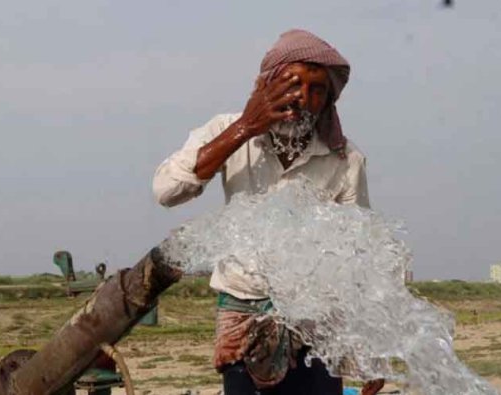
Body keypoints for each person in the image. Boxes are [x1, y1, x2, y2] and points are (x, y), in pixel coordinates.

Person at [153, 30, 379, 395]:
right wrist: (245, 128)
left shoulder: (345, 160)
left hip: (317, 322)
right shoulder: (226, 130)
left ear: (329, 101)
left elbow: (360, 257)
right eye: (291, 83)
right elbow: (166, 191)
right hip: (244, 316)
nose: (302, 98)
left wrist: (369, 352)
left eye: (316, 89)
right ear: (267, 86)